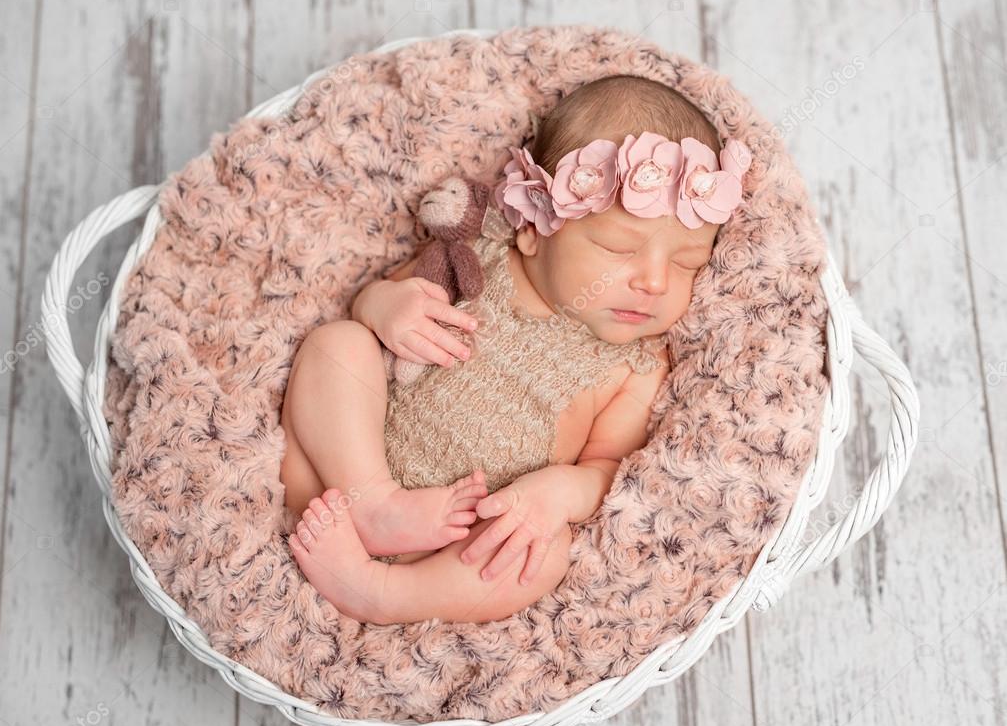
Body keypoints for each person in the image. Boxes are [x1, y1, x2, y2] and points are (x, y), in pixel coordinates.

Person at [279, 74, 750, 624]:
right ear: (534, 229)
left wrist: (556, 495)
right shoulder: (485, 255)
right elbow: (380, 300)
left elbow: (606, 470)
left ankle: (381, 592)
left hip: (462, 544)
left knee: (544, 554)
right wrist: (385, 307)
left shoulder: (636, 365)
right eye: (618, 249)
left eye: (686, 263)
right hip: (334, 485)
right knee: (337, 346)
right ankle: (377, 503)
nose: (654, 283)